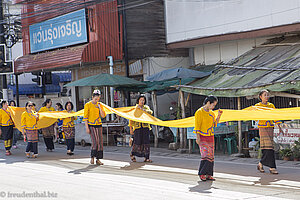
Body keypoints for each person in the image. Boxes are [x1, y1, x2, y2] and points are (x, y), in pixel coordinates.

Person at [194, 96, 223, 181]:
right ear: (208, 103)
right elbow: (197, 126)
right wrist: (198, 138)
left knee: (211, 156)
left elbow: (214, 124)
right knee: (205, 155)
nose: (213, 107)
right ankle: (202, 173)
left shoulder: (211, 113)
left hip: (210, 136)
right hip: (202, 136)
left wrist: (219, 115)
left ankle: (209, 174)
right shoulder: (199, 112)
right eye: (213, 105)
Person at [255, 89, 283, 174]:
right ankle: (271, 167)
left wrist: (279, 127)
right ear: (260, 97)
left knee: (268, 147)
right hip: (262, 128)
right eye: (265, 95)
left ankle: (261, 164)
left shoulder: (271, 105)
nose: (267, 96)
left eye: (268, 95)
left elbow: (275, 116)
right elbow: (255, 117)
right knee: (268, 147)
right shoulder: (257, 106)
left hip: (270, 127)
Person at [84, 90, 106, 165]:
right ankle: (92, 157)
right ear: (92, 97)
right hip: (91, 125)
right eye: (95, 99)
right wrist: (87, 127)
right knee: (95, 141)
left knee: (100, 142)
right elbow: (85, 117)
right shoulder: (88, 105)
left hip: (98, 124)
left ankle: (98, 159)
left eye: (98, 99)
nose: (97, 100)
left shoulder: (100, 104)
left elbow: (103, 115)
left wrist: (100, 107)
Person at [129, 95, 153, 163]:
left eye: (143, 100)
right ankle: (132, 154)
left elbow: (150, 112)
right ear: (138, 101)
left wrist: (143, 110)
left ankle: (146, 157)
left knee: (146, 142)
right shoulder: (135, 108)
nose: (142, 101)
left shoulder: (146, 107)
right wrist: (131, 128)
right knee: (137, 142)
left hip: (145, 127)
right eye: (141, 100)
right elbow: (131, 119)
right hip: (137, 128)